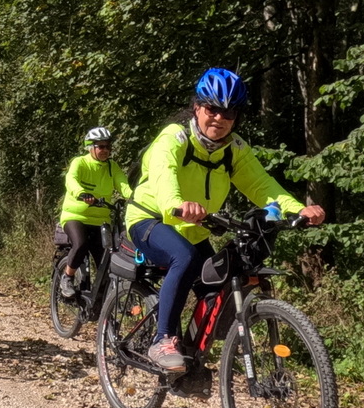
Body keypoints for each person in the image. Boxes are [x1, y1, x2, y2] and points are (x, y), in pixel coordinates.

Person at [125, 68, 326, 372]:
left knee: (214, 285)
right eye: (212, 109)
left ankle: (190, 361)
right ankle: (163, 339)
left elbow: (262, 186)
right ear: (197, 108)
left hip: (193, 227)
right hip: (150, 217)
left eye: (228, 112)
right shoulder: (174, 138)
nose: (219, 117)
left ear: (237, 117)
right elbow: (164, 176)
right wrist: (177, 205)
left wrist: (297, 209)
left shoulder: (234, 150)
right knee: (185, 257)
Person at [57, 126, 132, 299]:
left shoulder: (112, 167)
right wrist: (81, 193)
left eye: (108, 146)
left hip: (100, 220)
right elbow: (71, 180)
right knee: (81, 244)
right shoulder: (80, 162)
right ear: (90, 147)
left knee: (106, 261)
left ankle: (101, 302)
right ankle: (67, 277)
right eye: (101, 147)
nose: (105, 150)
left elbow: (123, 185)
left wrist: (135, 197)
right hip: (75, 216)